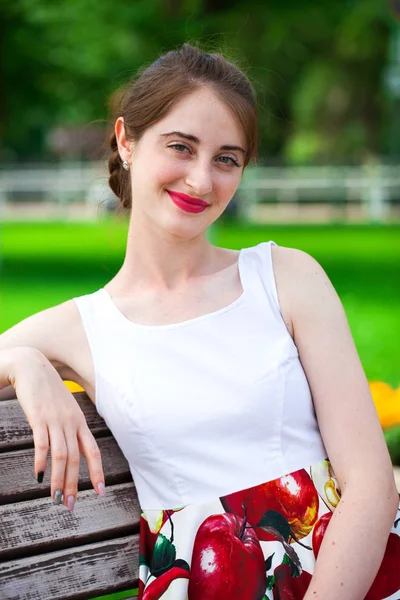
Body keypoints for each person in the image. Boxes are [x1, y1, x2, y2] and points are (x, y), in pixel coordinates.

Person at [0, 43, 399, 600]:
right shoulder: (83, 327)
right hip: (203, 577)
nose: (201, 181)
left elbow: (373, 484)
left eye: (227, 159)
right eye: (180, 147)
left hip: (346, 577)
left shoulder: (285, 277)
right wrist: (21, 361)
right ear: (126, 141)